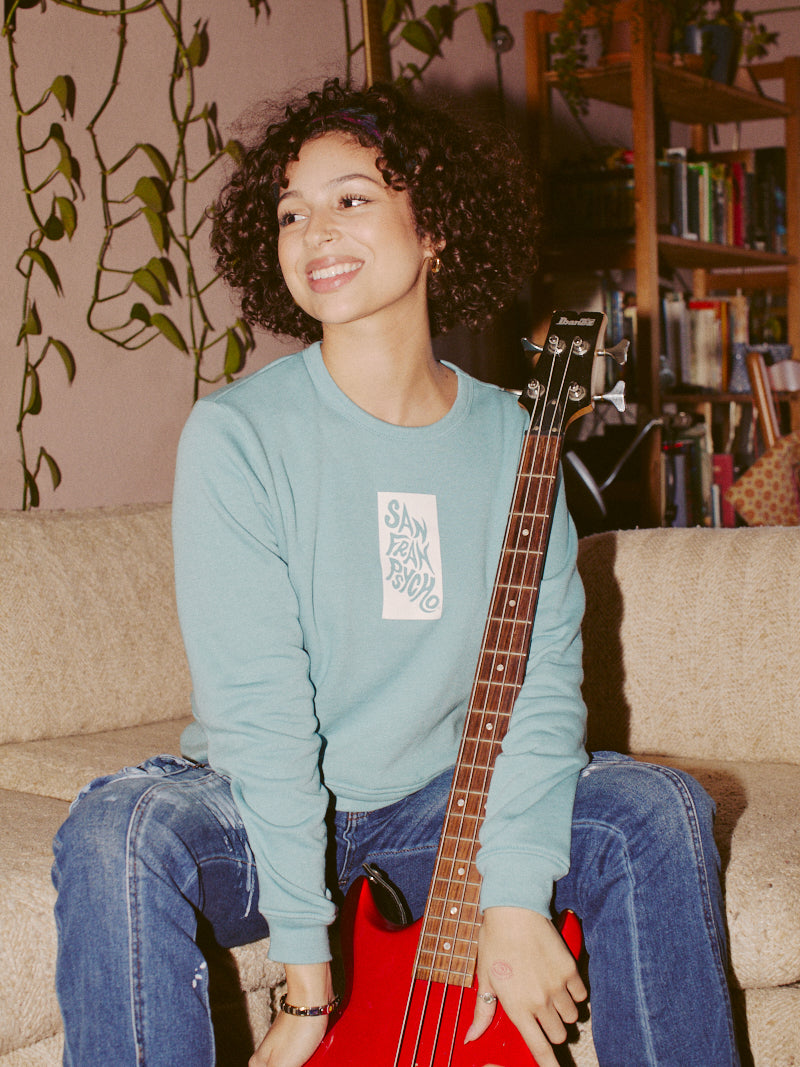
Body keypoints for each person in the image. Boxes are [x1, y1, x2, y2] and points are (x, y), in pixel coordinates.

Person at [52, 79, 741, 1067]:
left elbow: (539, 688)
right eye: (290, 211)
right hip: (261, 805)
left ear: (436, 233)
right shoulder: (237, 435)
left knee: (651, 806)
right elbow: (260, 715)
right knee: (116, 826)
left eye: (351, 198)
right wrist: (303, 975)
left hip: (434, 804)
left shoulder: (512, 435)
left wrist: (508, 889)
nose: (313, 231)